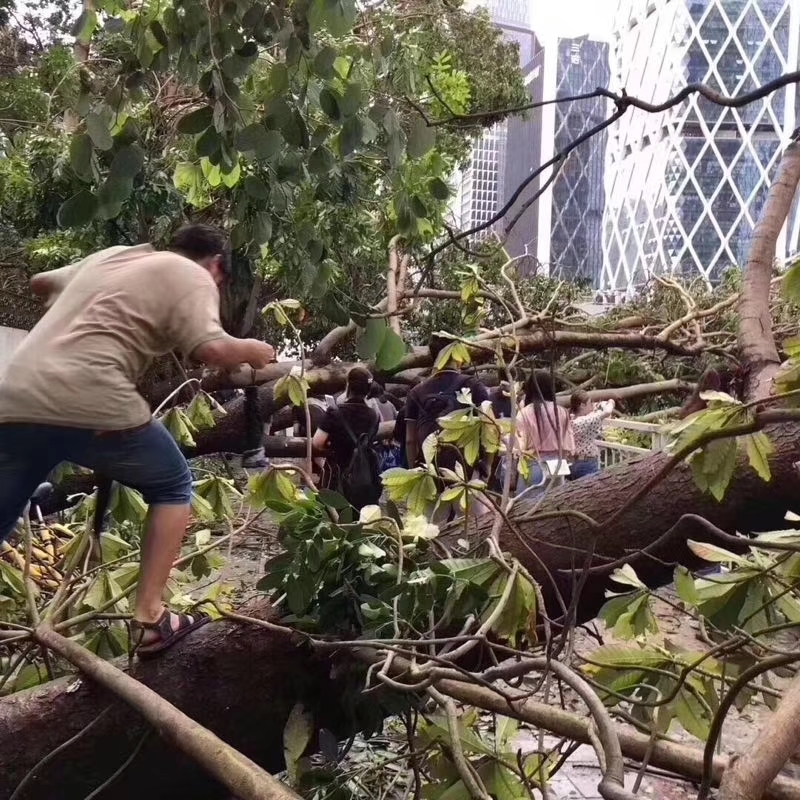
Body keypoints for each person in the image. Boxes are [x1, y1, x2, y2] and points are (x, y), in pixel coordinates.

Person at [0, 224, 276, 656]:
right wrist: (254, 350)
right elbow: (213, 349)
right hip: (88, 394)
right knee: (172, 484)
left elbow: (40, 282)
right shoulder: (193, 275)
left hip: (14, 395)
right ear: (217, 266)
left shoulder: (115, 256)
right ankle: (150, 618)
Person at [405, 337, 490, 473]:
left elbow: (410, 440)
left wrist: (412, 470)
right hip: (464, 467)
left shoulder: (416, 392)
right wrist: (487, 465)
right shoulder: (473, 385)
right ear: (457, 354)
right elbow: (489, 427)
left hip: (428, 467)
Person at [312, 366, 381, 509]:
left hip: (338, 475)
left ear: (348, 385)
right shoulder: (374, 415)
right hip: (365, 475)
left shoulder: (335, 412)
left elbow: (317, 442)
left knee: (335, 517)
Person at [515, 370, 574, 496]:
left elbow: (519, 447)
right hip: (557, 466)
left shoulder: (524, 413)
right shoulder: (562, 412)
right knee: (555, 507)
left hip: (533, 464)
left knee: (527, 509)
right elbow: (568, 446)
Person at [569, 391, 615, 479]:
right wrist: (611, 402)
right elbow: (607, 411)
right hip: (587, 463)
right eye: (590, 403)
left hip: (575, 462)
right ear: (582, 405)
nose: (592, 406)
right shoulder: (584, 421)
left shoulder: (572, 419)